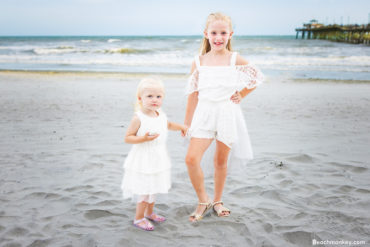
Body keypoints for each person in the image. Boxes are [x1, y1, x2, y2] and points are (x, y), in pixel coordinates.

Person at [184, 12, 264, 222]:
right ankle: (204, 200)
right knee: (191, 159)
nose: (218, 37)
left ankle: (217, 201)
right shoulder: (198, 61)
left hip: (227, 113)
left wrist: (241, 94)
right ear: (206, 34)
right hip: (204, 113)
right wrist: (186, 122)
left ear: (230, 34)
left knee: (220, 161)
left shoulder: (234, 58)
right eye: (214, 33)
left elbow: (257, 76)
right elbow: (192, 95)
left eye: (223, 33)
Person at [122, 77, 188, 231]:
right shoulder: (138, 118)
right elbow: (128, 137)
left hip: (159, 157)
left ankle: (150, 213)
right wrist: (143, 138)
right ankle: (139, 218)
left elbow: (169, 125)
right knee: (145, 190)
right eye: (149, 96)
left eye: (158, 97)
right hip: (144, 158)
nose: (154, 100)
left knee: (154, 188)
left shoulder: (159, 114)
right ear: (140, 98)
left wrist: (182, 127)